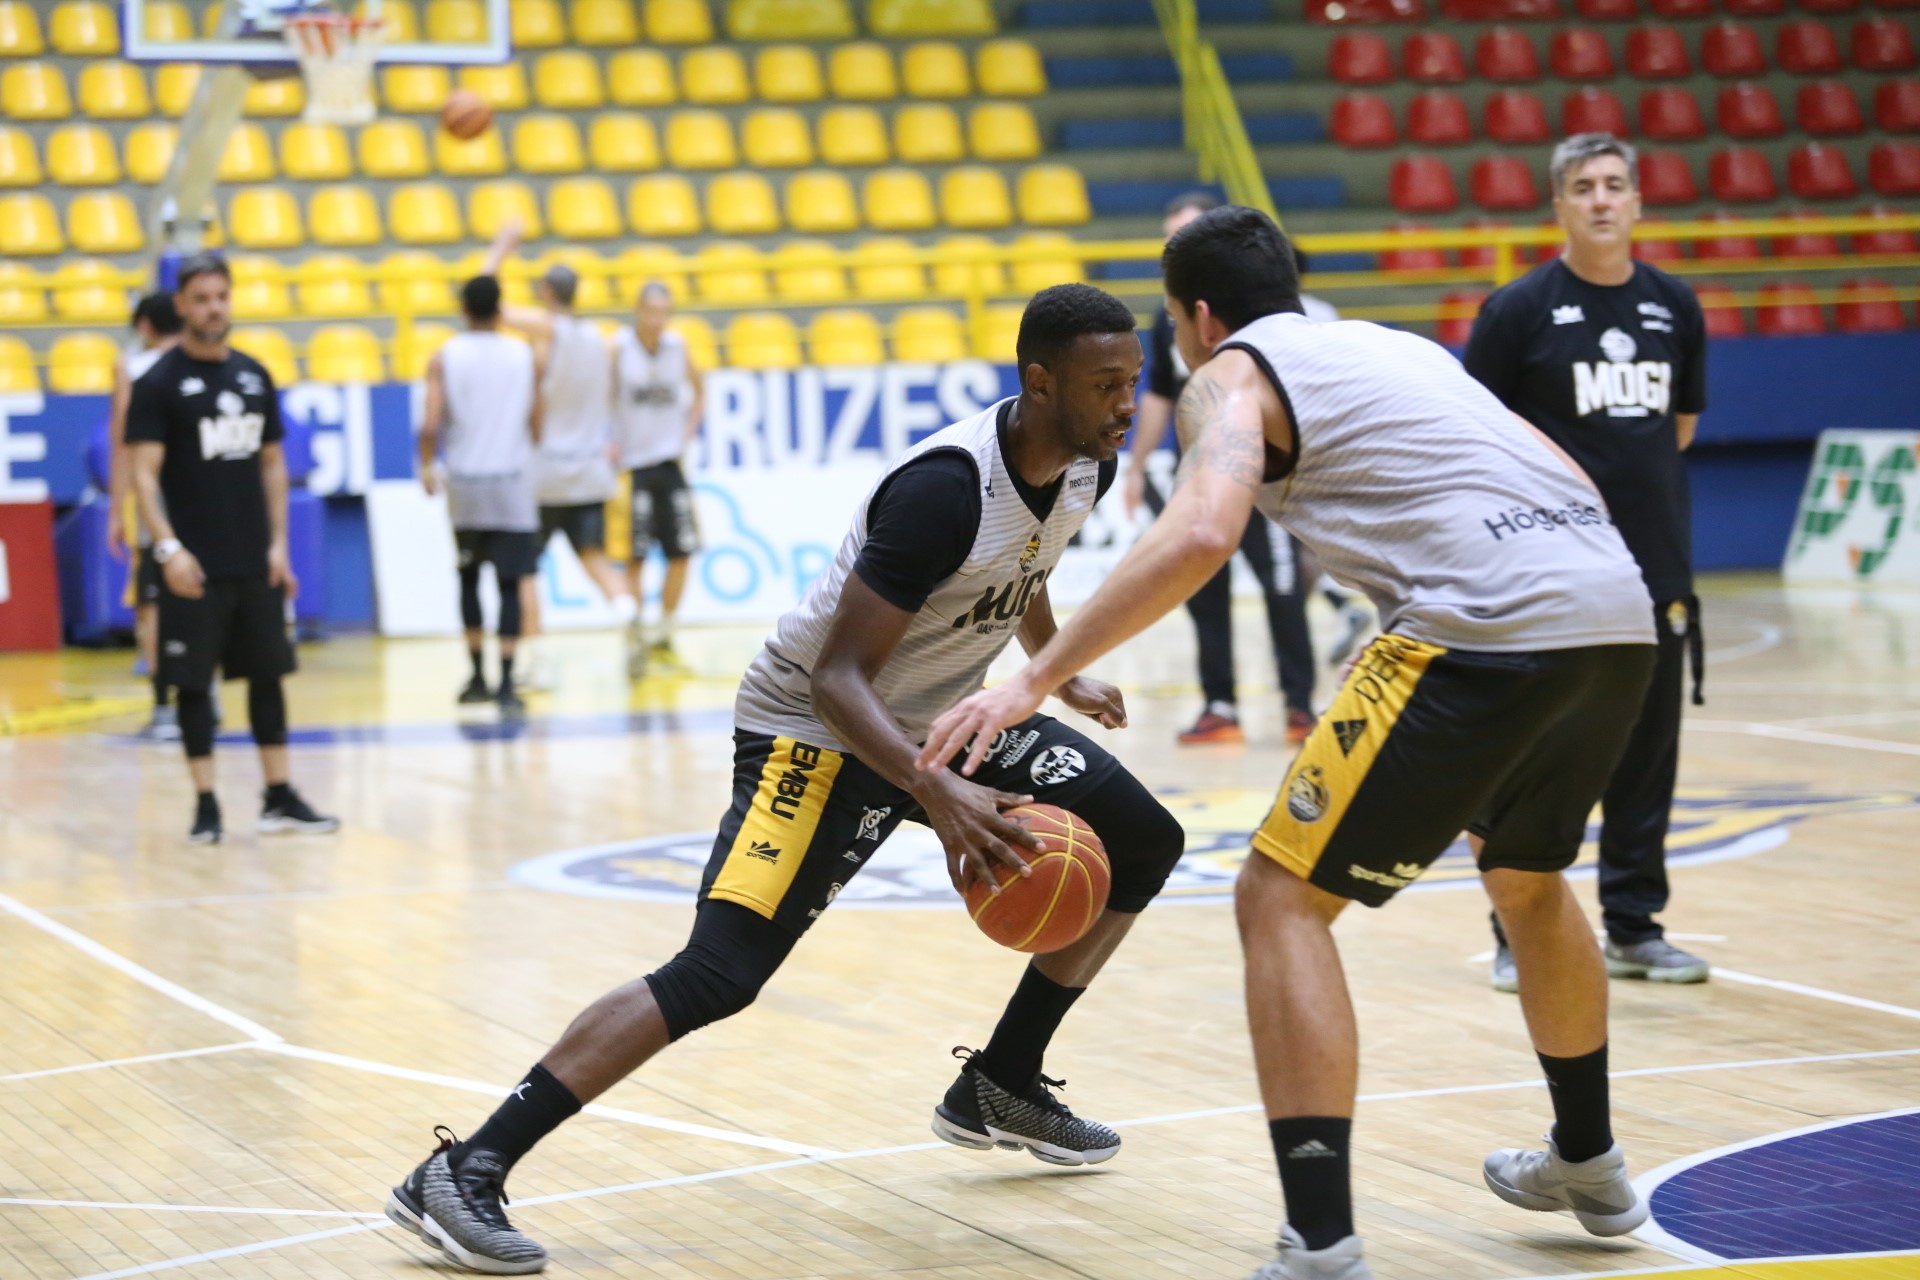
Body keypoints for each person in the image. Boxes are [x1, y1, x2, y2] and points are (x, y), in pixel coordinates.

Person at [381, 284, 1187, 1275]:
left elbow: (1021, 569)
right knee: (718, 972)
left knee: (1148, 840)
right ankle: (464, 1167)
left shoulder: (1083, 465)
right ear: (1039, 381)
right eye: (1107, 384)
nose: (1126, 402)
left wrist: (1057, 665)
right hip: (815, 729)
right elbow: (835, 676)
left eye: (1133, 380)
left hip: (937, 718)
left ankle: (1004, 1081)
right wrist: (934, 791)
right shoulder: (943, 488)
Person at [921, 208, 1661, 1279]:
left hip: (1480, 626)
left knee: (1277, 898)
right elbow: (1569, 472)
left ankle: (1319, 1239)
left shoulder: (1231, 373)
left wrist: (1032, 679)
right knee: (1529, 876)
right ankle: (1588, 1159)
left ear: (1199, 316)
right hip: (1610, 609)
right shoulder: (1397, 349)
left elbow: (1201, 532)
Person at [1464, 134, 1710, 992]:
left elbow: (1678, 429)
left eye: (1615, 185)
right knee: (1531, 755)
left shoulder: (1673, 305)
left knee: (1648, 756)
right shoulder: (1518, 310)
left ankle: (1635, 925)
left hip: (1655, 572)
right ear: (1558, 205)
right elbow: (1479, 440)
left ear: (1638, 202)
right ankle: (1513, 927)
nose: (1602, 199)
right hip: (1545, 577)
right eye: (1583, 187)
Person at [125, 255, 339, 845]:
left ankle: (278, 796)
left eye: (221, 296)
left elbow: (272, 462)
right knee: (194, 684)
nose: (213, 307)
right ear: (182, 305)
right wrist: (168, 550)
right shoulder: (158, 384)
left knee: (269, 676)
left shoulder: (253, 375)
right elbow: (143, 476)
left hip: (254, 557)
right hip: (192, 563)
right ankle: (206, 801)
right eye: (201, 298)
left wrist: (279, 545)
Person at [1122, 192, 1322, 746]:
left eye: (1185, 232)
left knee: (1284, 590)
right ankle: (1220, 704)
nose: (1175, 246)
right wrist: (1137, 469)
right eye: (1170, 236)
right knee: (1201, 591)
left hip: (1263, 472)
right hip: (1198, 470)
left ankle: (1300, 707)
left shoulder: (1266, 314)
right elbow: (1160, 394)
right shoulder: (1169, 320)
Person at [480, 225, 638, 689]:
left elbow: (484, 303)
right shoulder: (602, 339)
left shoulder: (548, 329)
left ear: (547, 292)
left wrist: (500, 249)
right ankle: (627, 612)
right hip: (590, 469)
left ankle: (538, 659)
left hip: (545, 471)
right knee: (595, 558)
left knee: (527, 569)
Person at [419, 275, 542, 715]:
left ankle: (476, 677)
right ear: (500, 307)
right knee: (511, 583)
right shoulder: (522, 354)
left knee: (469, 578)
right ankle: (508, 684)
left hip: (466, 480)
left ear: (464, 308)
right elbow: (536, 417)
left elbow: (431, 423)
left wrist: (427, 465)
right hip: (510, 479)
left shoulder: (445, 355)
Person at [613, 282, 704, 677]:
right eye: (651, 311)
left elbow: (701, 389)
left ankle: (664, 636)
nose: (657, 320)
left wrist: (688, 431)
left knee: (682, 552)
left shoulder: (677, 346)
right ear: (637, 309)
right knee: (635, 557)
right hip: (632, 466)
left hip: (669, 463)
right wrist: (605, 439)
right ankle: (635, 644)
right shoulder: (617, 348)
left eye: (664, 312)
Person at [108, 292, 184, 741]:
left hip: (154, 498)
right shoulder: (206, 360)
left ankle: (163, 706)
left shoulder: (131, 369)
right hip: (203, 498)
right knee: (202, 594)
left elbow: (122, 443)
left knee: (153, 603)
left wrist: (117, 508)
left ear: (144, 326)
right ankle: (205, 694)